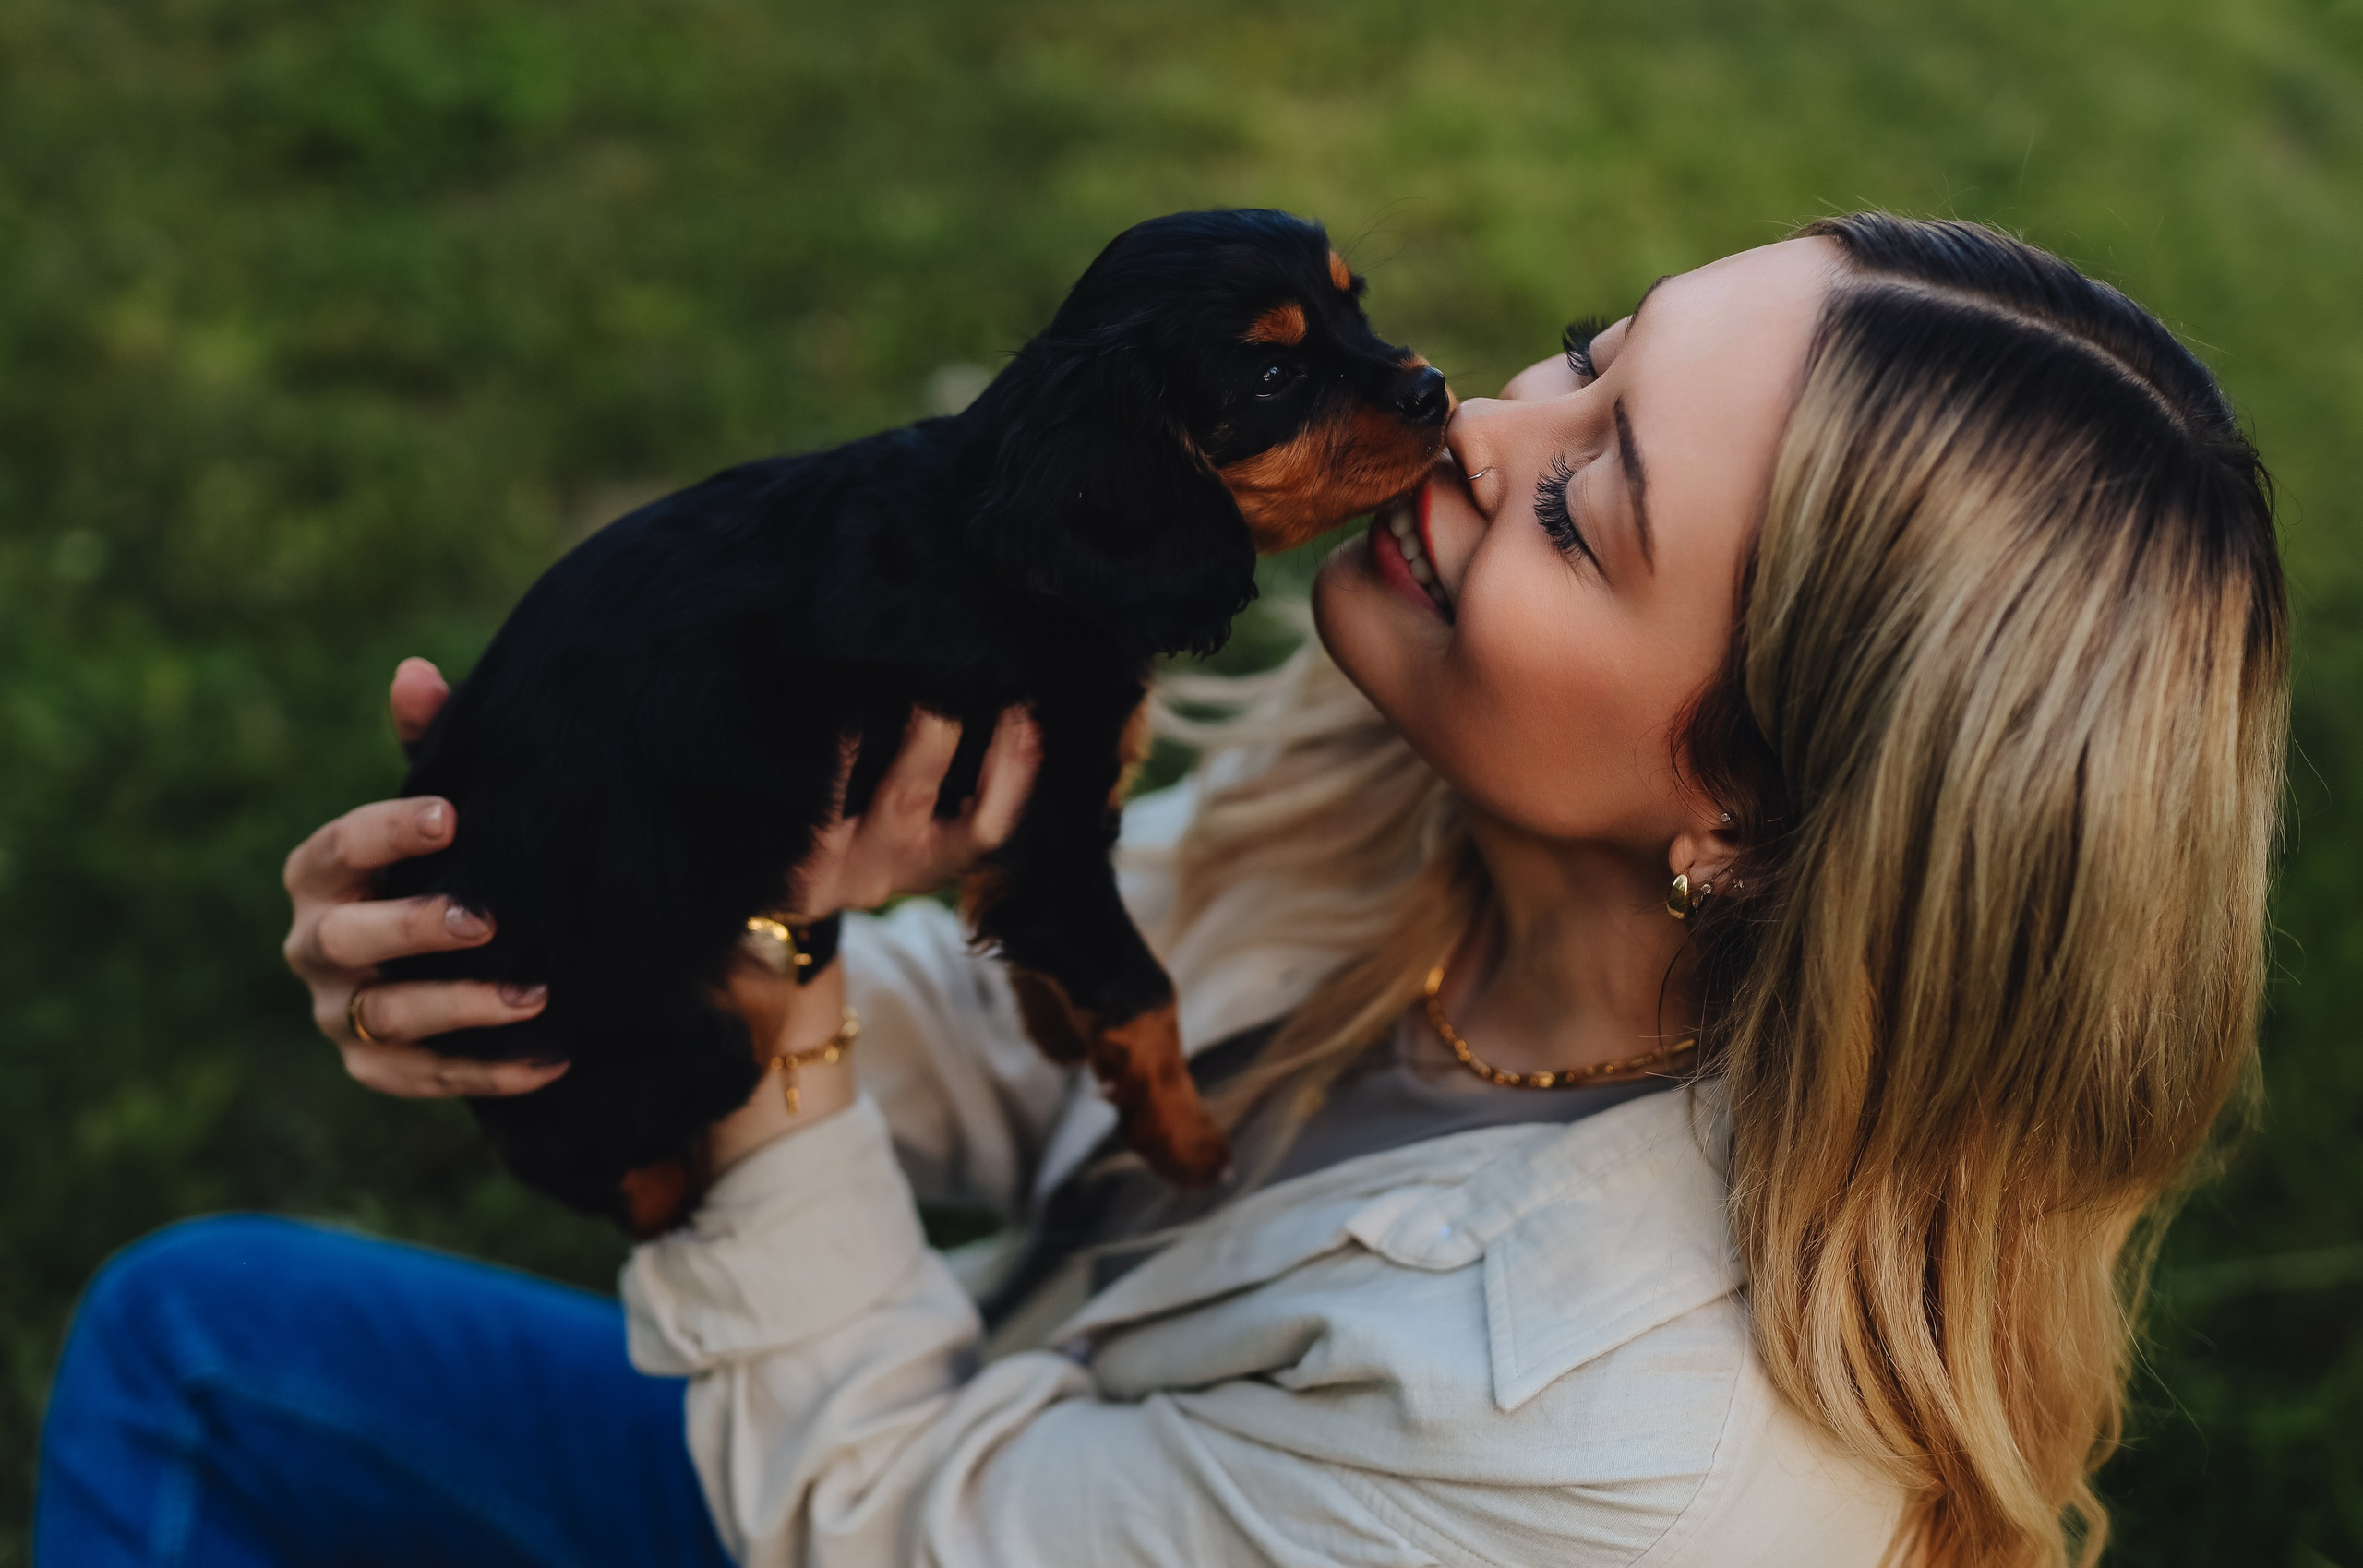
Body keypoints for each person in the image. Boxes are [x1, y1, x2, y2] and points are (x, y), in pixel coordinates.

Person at [35, 213, 2286, 1568]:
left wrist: (754, 992)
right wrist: (572, 912)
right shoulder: (1419, 812)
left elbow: (898, 1525)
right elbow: (1036, 1063)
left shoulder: (1608, 1456)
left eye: (1592, 513)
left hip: (923, 1504)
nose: (1487, 422)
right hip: (993, 1435)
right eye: (1594, 351)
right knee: (206, 1336)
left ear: (1765, 816)